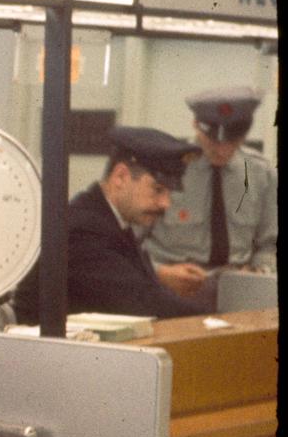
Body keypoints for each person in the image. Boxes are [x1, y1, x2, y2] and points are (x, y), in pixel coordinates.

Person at [12, 126, 212, 324]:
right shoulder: (84, 230)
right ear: (120, 177)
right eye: (158, 190)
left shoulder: (108, 220)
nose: (166, 204)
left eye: (169, 194)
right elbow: (144, 302)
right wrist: (218, 321)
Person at [143, 87, 276, 306]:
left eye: (232, 142)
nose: (222, 150)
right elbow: (128, 241)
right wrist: (160, 272)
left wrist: (259, 270)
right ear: (196, 125)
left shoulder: (261, 174)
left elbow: (269, 243)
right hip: (171, 289)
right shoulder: (165, 168)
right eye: (213, 141)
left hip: (239, 291)